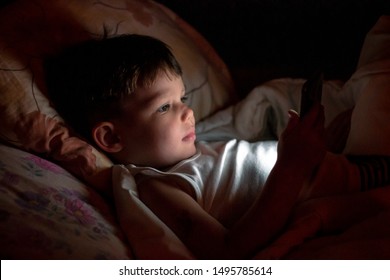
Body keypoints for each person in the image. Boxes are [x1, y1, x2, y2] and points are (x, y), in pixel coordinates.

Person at [44, 34, 389, 259]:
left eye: (183, 98)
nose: (188, 112)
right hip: (339, 190)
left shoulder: (197, 152)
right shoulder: (159, 188)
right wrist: (292, 165)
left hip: (338, 165)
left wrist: (319, 145)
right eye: (165, 107)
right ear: (112, 138)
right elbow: (230, 249)